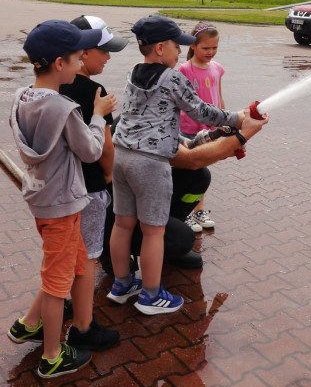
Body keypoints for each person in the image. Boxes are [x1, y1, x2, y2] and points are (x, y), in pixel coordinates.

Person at [108, 15, 243, 315]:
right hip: (150, 164)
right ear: (159, 48)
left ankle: (121, 285)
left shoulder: (134, 72)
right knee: (154, 231)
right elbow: (202, 111)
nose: (181, 52)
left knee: (123, 223)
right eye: (176, 47)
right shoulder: (171, 78)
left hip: (122, 156)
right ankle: (151, 296)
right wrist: (236, 119)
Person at [7, 20, 116, 379]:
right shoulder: (64, 107)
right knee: (57, 284)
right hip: (62, 206)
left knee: (77, 263)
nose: (79, 62)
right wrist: (98, 118)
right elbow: (90, 151)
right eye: (75, 58)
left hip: (43, 199)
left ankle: (28, 325)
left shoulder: (23, 97)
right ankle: (52, 356)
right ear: (59, 63)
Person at [101, 108, 269, 274]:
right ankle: (110, 250)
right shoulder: (141, 125)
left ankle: (166, 244)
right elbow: (190, 159)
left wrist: (220, 143)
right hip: (118, 215)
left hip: (143, 198)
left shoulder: (156, 114)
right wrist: (242, 136)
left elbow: (188, 147)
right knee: (183, 239)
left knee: (199, 177)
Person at [59, 15, 128, 351]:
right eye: (104, 51)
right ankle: (83, 328)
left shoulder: (54, 85)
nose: (109, 57)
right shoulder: (95, 93)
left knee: (65, 253)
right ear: (83, 53)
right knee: (86, 257)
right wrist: (109, 176)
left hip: (61, 189)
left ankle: (39, 317)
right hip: (89, 188)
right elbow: (106, 148)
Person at [178, 22, 224, 231]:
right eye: (206, 48)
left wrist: (224, 120)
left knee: (201, 174)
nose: (211, 52)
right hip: (188, 130)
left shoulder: (217, 69)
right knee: (188, 173)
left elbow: (219, 97)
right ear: (193, 46)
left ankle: (198, 211)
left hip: (209, 131)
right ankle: (182, 212)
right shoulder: (184, 69)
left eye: (214, 48)